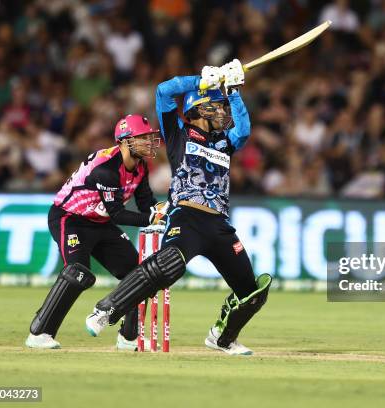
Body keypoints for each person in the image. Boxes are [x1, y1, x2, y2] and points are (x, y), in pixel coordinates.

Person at [84, 59, 272, 355]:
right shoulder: (178, 134)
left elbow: (244, 131)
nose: (223, 113)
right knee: (169, 265)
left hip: (219, 226)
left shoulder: (224, 142)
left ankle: (222, 338)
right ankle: (106, 310)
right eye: (218, 106)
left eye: (224, 107)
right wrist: (201, 80)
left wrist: (234, 91)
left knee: (253, 293)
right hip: (187, 217)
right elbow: (163, 91)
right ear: (199, 110)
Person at [25, 114, 168, 350]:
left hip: (99, 222)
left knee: (139, 275)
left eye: (148, 137)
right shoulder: (107, 169)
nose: (148, 142)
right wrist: (153, 217)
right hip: (70, 218)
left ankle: (128, 337)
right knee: (77, 274)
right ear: (125, 141)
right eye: (142, 138)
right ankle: (40, 333)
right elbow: (119, 214)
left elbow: (146, 205)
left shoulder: (140, 167)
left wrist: (165, 210)